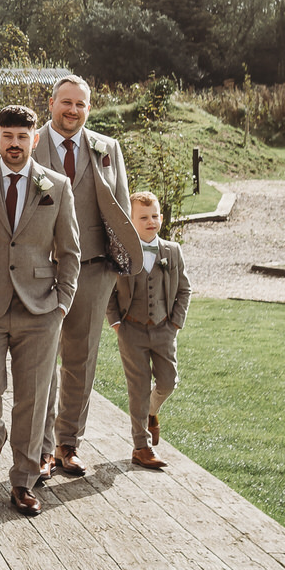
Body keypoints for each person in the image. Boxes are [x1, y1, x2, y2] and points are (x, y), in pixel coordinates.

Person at [0, 104, 80, 516]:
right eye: (8, 136)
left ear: (34, 140)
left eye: (23, 137)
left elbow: (70, 251)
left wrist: (62, 303)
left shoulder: (56, 185)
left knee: (33, 398)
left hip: (40, 310)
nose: (15, 144)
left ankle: (23, 481)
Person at [35, 75, 141, 479]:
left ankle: (68, 444)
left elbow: (122, 214)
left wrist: (120, 266)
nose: (72, 110)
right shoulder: (30, 144)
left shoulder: (107, 148)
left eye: (80, 104)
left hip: (95, 270)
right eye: (66, 102)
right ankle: (40, 448)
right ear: (51, 103)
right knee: (40, 361)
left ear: (88, 109)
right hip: (41, 271)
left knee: (81, 360)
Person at [107, 190, 191, 471]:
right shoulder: (121, 253)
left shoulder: (172, 251)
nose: (150, 221)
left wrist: (176, 323)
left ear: (161, 217)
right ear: (131, 221)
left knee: (168, 382)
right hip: (131, 329)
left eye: (154, 216)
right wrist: (116, 322)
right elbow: (108, 291)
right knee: (138, 388)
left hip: (164, 329)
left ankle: (152, 412)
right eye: (143, 217)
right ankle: (141, 446)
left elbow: (184, 289)